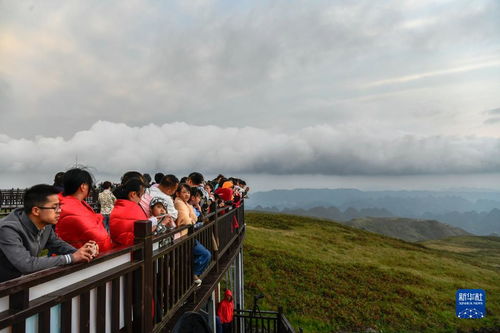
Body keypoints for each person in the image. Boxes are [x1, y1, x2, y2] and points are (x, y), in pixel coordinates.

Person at [0, 184, 97, 283]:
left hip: (18, 283)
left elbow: (57, 244)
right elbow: (27, 264)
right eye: (54, 207)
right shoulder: (8, 229)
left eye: (60, 206)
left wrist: (83, 253)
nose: (59, 211)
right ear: (36, 211)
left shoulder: (45, 225)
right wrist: (72, 258)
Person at [56, 168, 113, 252]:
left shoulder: (63, 203)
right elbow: (100, 240)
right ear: (83, 187)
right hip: (81, 259)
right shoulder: (73, 208)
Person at [174, 183, 211, 285]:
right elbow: (186, 221)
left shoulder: (186, 204)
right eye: (184, 192)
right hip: (183, 237)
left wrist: (192, 219)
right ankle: (193, 274)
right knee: (206, 254)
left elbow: (194, 217)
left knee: (205, 254)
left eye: (188, 192)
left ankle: (193, 274)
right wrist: (192, 219)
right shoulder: (179, 203)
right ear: (177, 193)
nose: (187, 194)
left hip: (187, 236)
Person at [109, 178, 153, 246]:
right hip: (134, 254)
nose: (140, 200)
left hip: (120, 252)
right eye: (140, 196)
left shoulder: (117, 208)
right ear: (133, 194)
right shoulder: (134, 210)